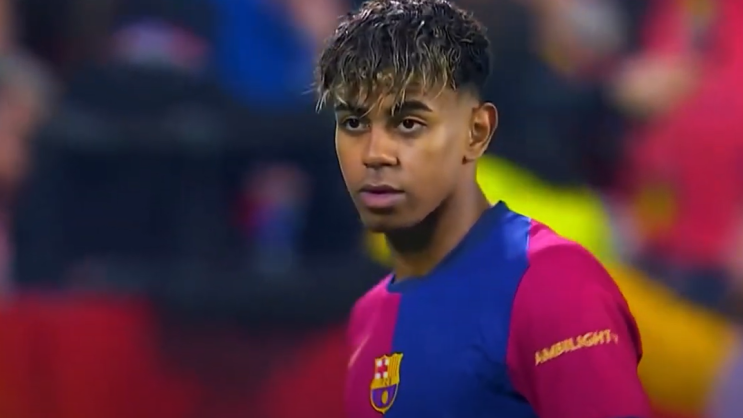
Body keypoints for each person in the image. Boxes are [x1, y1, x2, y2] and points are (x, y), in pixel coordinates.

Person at [314, 1, 651, 417]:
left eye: (408, 124)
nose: (376, 153)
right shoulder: (371, 315)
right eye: (354, 123)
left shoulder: (555, 288)